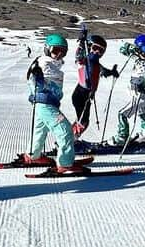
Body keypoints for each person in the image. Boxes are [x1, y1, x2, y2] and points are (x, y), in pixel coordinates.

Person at [23, 33, 83, 172]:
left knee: (40, 130)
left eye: (63, 52)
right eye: (55, 50)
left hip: (45, 103)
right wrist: (36, 77)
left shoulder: (52, 64)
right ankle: (65, 163)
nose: (58, 54)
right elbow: (32, 77)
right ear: (47, 48)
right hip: (45, 103)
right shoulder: (43, 63)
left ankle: (33, 155)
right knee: (65, 130)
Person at [113, 34, 145, 146]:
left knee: (122, 114)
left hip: (140, 95)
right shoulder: (137, 57)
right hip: (134, 93)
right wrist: (131, 48)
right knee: (142, 113)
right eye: (144, 49)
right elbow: (122, 49)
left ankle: (122, 137)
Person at [71, 31, 119, 142]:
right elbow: (78, 56)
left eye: (101, 50)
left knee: (82, 120)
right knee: (83, 121)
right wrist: (82, 43)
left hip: (87, 96)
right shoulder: (85, 60)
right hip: (80, 94)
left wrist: (112, 72)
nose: (97, 52)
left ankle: (69, 138)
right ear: (89, 47)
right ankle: (71, 141)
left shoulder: (96, 63)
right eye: (95, 48)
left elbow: (103, 72)